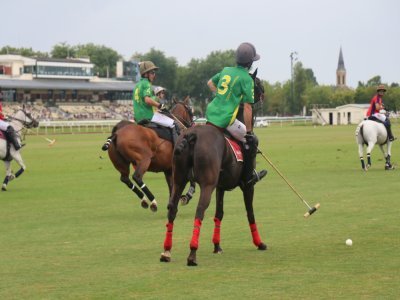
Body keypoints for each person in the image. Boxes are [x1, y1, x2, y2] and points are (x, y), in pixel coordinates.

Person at [205, 42, 267, 186]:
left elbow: (209, 83)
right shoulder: (246, 78)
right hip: (227, 120)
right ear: (250, 62)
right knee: (252, 141)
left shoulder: (226, 70)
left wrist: (223, 95)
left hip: (211, 115)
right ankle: (248, 176)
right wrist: (249, 133)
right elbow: (247, 108)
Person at [133, 61, 179, 145]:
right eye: (152, 73)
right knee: (174, 124)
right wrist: (160, 105)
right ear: (146, 74)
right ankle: (178, 149)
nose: (154, 75)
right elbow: (147, 100)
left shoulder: (137, 85)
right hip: (148, 116)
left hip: (137, 118)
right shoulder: (146, 84)